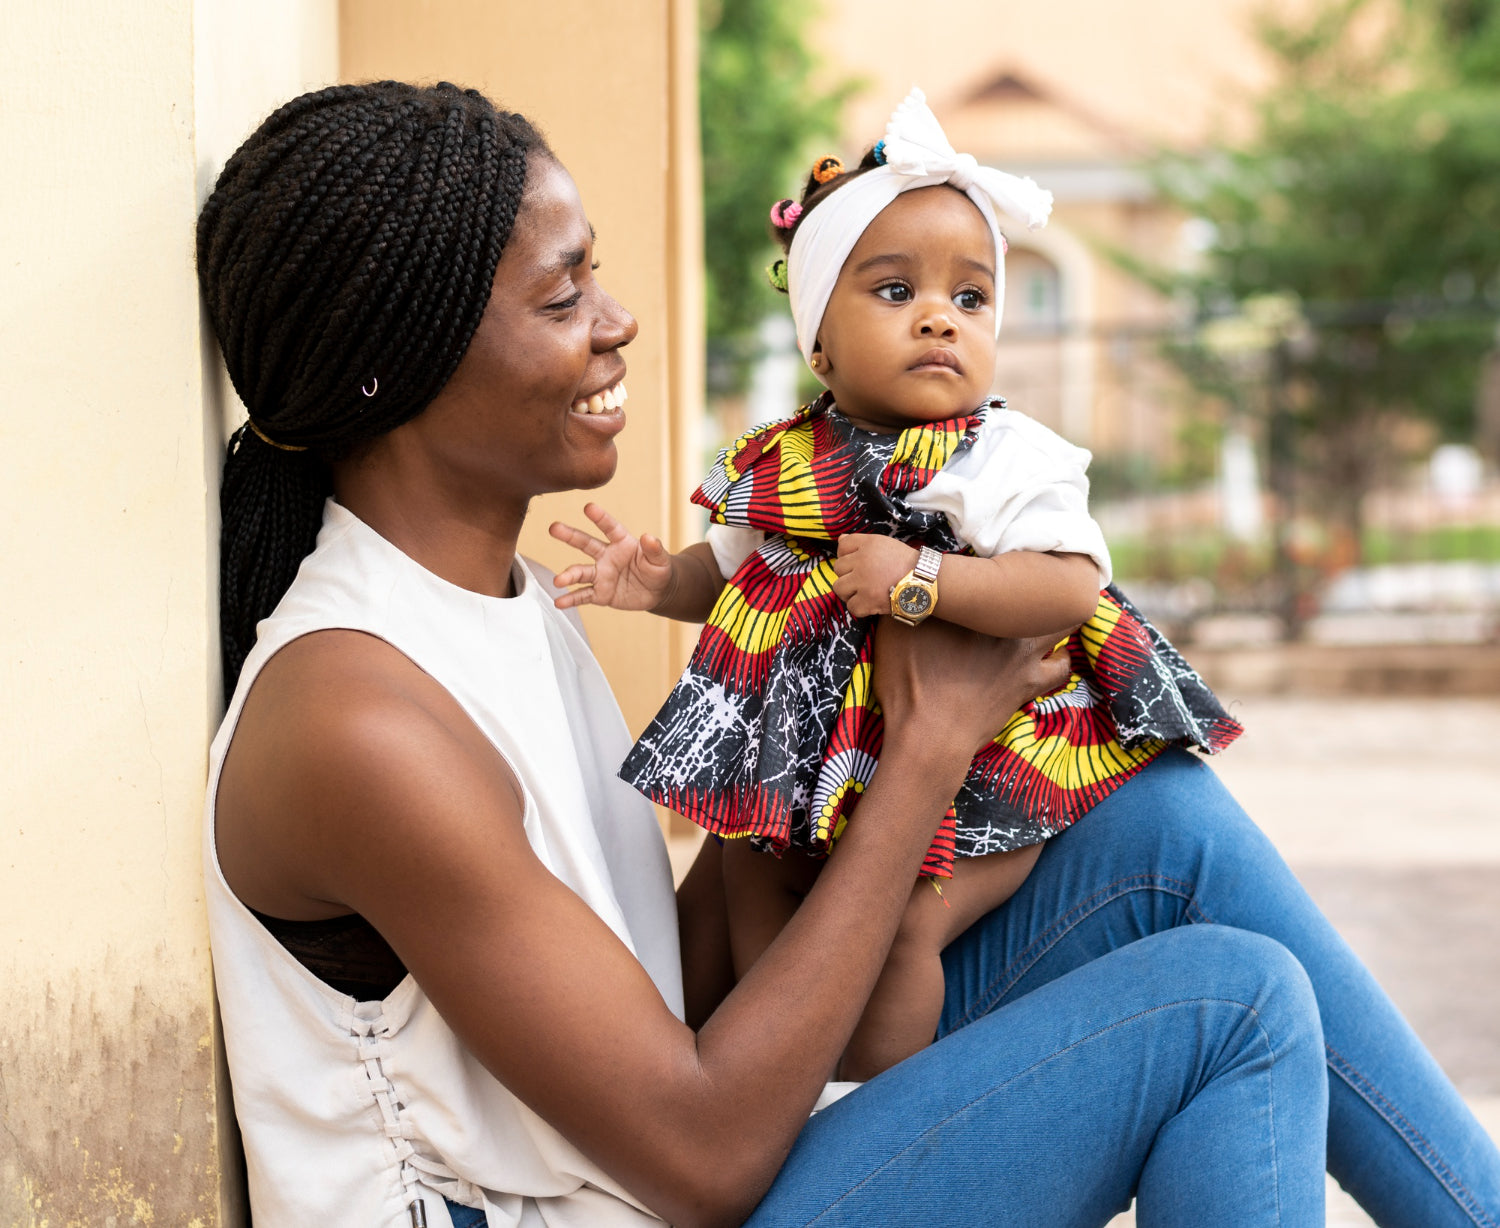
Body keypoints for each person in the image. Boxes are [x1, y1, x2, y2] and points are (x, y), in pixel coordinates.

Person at [197, 80, 1499, 1227]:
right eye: (563, 294)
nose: (618, 321)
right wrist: (928, 750)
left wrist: (844, 726)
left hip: (658, 1167)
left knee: (1157, 821)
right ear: (397, 367)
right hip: (659, 1188)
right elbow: (699, 1158)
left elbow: (663, 976)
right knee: (1232, 1009)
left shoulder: (507, 605)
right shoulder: (355, 716)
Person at [549, 88, 1241, 1080]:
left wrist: (924, 579)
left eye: (971, 298)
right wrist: (658, 579)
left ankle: (887, 1090)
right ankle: (769, 1071)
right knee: (756, 871)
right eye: (893, 291)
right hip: (816, 758)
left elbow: (1069, 590)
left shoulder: (1000, 458)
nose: (939, 320)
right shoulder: (790, 462)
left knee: (908, 918)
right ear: (818, 343)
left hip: (987, 763)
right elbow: (746, 570)